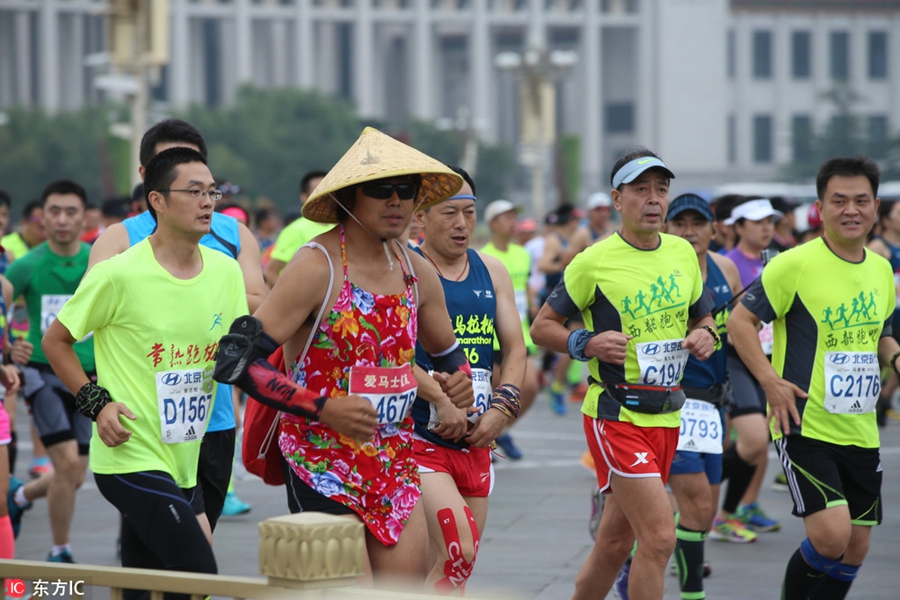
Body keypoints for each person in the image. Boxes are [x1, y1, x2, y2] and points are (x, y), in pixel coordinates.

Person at [213, 127, 474, 587]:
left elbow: (450, 356)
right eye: (381, 189)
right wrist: (325, 408)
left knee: (402, 594)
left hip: (395, 462)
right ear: (350, 197)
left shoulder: (417, 271)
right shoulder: (316, 266)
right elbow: (237, 362)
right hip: (321, 463)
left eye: (406, 190)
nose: (396, 201)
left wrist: (459, 384)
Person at [43, 147, 246, 598]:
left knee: (144, 580)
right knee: (194, 572)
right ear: (156, 199)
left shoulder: (226, 271)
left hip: (186, 458)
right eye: (193, 191)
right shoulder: (119, 274)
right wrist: (96, 404)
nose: (208, 201)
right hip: (130, 456)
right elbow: (55, 341)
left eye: (211, 190)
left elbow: (231, 354)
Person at [530, 148, 717, 600]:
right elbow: (542, 327)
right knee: (659, 537)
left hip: (668, 412)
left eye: (661, 189)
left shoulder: (681, 253)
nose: (653, 199)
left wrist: (706, 335)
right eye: (640, 190)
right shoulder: (593, 261)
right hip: (616, 415)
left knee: (615, 543)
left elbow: (703, 317)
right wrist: (585, 343)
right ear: (617, 198)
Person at [88, 118, 266, 534]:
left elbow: (257, 307)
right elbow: (83, 322)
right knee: (180, 551)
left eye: (202, 179)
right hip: (141, 422)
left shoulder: (232, 235)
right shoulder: (119, 239)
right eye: (171, 166)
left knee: (184, 547)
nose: (202, 198)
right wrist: (95, 400)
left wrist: (195, 300)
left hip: (213, 418)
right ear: (149, 182)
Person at [728, 156, 893, 600]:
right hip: (803, 422)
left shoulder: (880, 270)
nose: (851, 210)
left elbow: (885, 332)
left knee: (856, 547)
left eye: (861, 200)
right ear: (820, 207)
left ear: (876, 206)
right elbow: (739, 322)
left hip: (860, 427)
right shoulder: (793, 265)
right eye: (839, 201)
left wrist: (895, 359)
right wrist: (768, 380)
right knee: (831, 537)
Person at [410, 167, 526, 593]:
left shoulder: (492, 270)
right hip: (420, 436)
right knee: (459, 549)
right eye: (449, 213)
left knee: (452, 569)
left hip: (476, 438)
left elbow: (515, 348)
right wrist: (440, 399)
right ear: (419, 216)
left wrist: (502, 408)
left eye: (469, 213)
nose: (462, 224)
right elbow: (389, 352)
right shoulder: (405, 266)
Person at [5, 180, 94, 563]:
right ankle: (60, 550)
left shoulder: (98, 261)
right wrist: (10, 347)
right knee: (67, 464)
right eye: (54, 211)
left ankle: (19, 496)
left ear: (84, 216)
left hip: (88, 379)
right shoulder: (28, 264)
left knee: (74, 475)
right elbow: (2, 303)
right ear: (43, 216)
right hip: (42, 374)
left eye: (70, 211)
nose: (62, 219)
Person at [660, 193, 741, 599]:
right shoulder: (663, 270)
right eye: (680, 224)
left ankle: (631, 546)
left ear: (714, 228)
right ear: (667, 229)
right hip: (674, 401)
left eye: (698, 223)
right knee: (692, 507)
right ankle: (691, 593)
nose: (689, 232)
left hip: (712, 405)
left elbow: (739, 335)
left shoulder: (726, 269)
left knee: (703, 513)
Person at [714, 198, 782, 537]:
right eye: (757, 222)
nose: (766, 227)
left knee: (761, 441)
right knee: (753, 440)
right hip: (736, 360)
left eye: (770, 221)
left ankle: (730, 513)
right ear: (737, 227)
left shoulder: (780, 261)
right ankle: (683, 486)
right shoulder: (728, 264)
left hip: (770, 362)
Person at [480, 199, 540, 460]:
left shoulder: (522, 254)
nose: (513, 223)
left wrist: (534, 305)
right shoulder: (484, 255)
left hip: (521, 333)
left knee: (531, 386)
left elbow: (524, 285)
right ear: (493, 223)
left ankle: (501, 431)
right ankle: (486, 439)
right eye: (506, 218)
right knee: (493, 392)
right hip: (492, 337)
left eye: (514, 217)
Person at [262, 170, 333, 286]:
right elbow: (271, 271)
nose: (324, 196)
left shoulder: (340, 226)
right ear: (304, 197)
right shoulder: (295, 230)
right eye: (318, 191)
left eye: (328, 190)